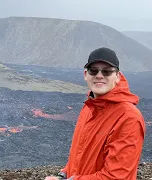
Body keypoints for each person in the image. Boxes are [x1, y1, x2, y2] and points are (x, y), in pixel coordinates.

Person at [45, 47, 146, 180]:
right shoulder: (89, 108)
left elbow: (117, 177)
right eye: (93, 71)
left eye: (107, 71)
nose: (99, 75)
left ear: (118, 76)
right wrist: (63, 175)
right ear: (85, 75)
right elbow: (79, 155)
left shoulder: (128, 118)